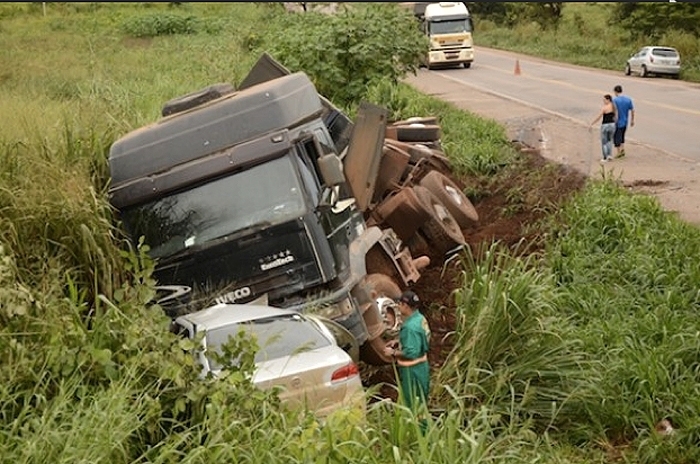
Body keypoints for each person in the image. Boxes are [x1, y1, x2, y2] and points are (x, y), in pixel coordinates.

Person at [383, 290, 431, 414]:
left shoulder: (409, 327)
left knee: (412, 404)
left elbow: (411, 353)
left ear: (405, 306)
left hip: (412, 372)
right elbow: (419, 339)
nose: (398, 307)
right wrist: (400, 341)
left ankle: (418, 425)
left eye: (399, 304)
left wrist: (392, 352)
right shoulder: (419, 318)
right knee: (421, 401)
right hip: (422, 367)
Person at [590, 94, 617, 163]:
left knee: (604, 142)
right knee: (610, 140)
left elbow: (599, 117)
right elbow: (616, 116)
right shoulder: (613, 106)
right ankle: (609, 155)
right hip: (612, 124)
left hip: (605, 125)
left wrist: (592, 123)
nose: (603, 101)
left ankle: (605, 157)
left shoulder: (605, 108)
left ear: (608, 100)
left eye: (604, 100)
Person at [612, 84, 635, 158]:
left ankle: (619, 152)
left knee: (617, 137)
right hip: (625, 121)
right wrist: (632, 120)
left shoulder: (615, 100)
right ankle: (623, 149)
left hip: (618, 122)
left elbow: (615, 111)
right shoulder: (628, 99)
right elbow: (632, 110)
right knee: (622, 136)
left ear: (616, 91)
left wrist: (614, 120)